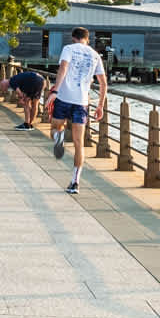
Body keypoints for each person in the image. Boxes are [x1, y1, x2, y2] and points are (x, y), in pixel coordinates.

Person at [45, 25, 108, 195]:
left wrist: (55, 91)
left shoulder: (69, 48)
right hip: (82, 102)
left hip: (64, 98)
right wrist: (100, 105)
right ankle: (75, 182)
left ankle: (59, 138)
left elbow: (63, 68)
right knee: (79, 143)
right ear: (87, 39)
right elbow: (103, 83)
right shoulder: (95, 55)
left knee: (55, 128)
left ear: (73, 38)